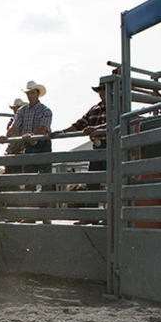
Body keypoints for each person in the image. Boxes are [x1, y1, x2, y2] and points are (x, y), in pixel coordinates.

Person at [53, 82, 108, 223]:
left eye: (104, 90)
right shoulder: (95, 108)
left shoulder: (117, 107)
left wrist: (95, 128)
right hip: (98, 148)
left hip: (111, 147)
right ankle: (92, 216)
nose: (102, 93)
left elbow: (117, 123)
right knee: (92, 182)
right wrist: (63, 131)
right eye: (100, 91)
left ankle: (108, 217)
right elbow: (79, 124)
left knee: (113, 182)